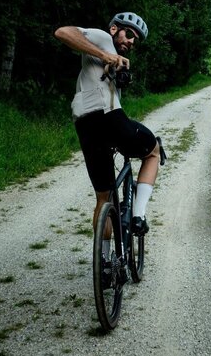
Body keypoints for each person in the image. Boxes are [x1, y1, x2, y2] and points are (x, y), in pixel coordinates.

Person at [54, 12, 160, 235]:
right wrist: (106, 55)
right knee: (153, 152)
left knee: (104, 197)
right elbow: (63, 32)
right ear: (114, 29)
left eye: (135, 40)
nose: (131, 42)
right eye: (129, 34)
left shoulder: (114, 58)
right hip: (106, 116)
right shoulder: (102, 38)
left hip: (84, 123)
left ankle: (104, 263)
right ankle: (139, 217)